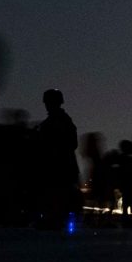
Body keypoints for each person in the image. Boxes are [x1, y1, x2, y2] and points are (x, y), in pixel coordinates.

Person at [37, 89, 80, 229]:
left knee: (56, 193)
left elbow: (71, 143)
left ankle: (55, 219)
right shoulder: (60, 120)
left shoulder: (58, 121)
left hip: (58, 165)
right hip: (60, 165)